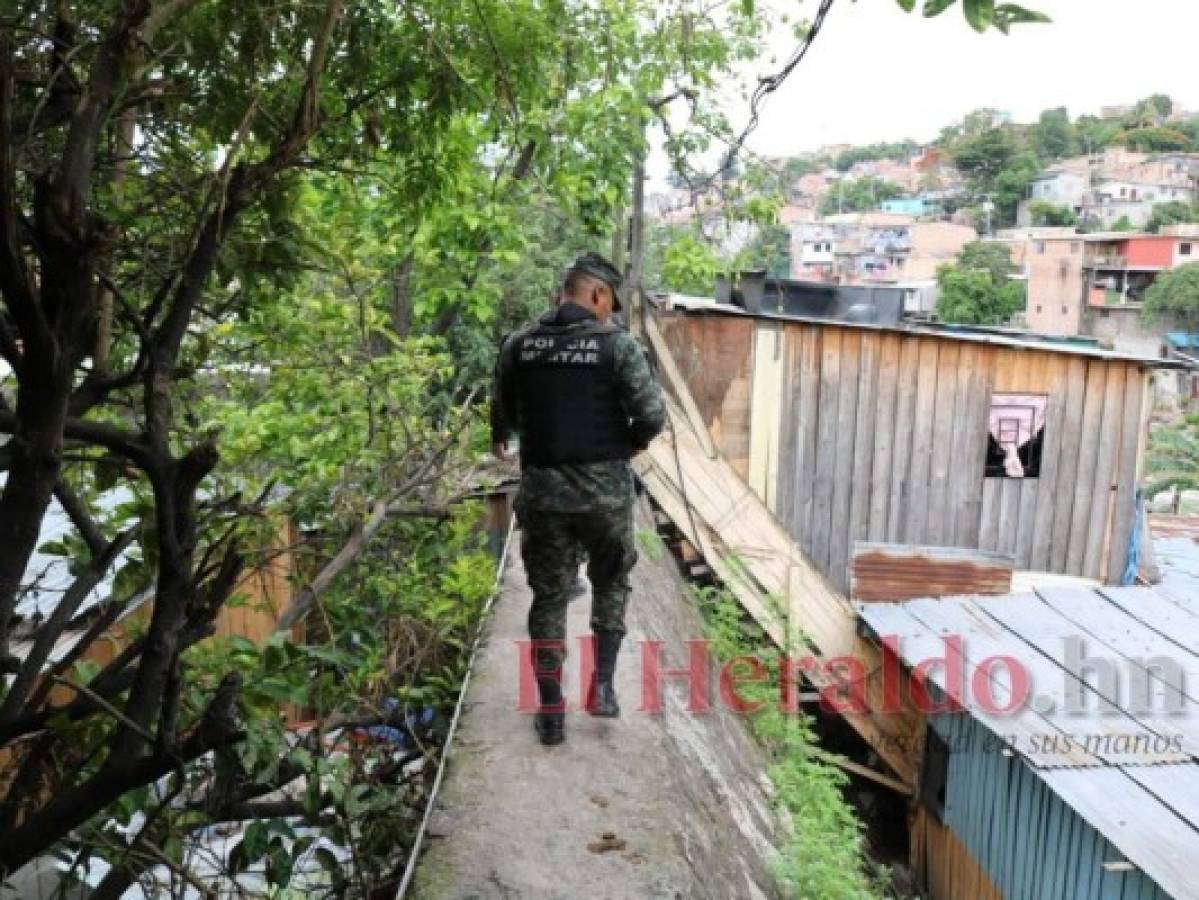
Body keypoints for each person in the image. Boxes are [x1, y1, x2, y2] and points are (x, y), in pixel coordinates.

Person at [490, 252, 666, 745]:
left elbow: (502, 413)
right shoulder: (618, 347)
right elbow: (651, 415)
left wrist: (503, 435)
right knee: (610, 583)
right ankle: (603, 689)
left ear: (559, 294)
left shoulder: (519, 346)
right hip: (605, 496)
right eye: (609, 302)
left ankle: (550, 711)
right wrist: (633, 442)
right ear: (596, 296)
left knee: (548, 596)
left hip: (543, 496)